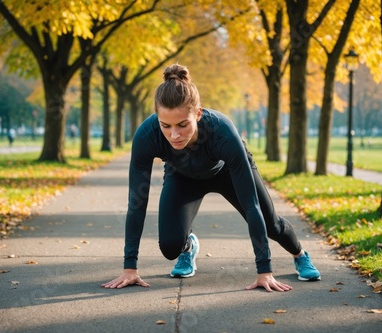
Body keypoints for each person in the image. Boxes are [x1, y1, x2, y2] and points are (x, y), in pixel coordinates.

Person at [102, 64, 320, 292]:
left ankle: (300, 255)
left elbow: (251, 204)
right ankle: (188, 248)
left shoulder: (222, 131)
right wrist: (130, 267)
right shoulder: (147, 136)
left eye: (182, 125)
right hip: (182, 175)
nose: (174, 135)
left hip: (227, 171)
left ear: (197, 114)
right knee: (169, 247)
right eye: (165, 125)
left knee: (270, 224)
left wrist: (264, 271)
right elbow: (137, 203)